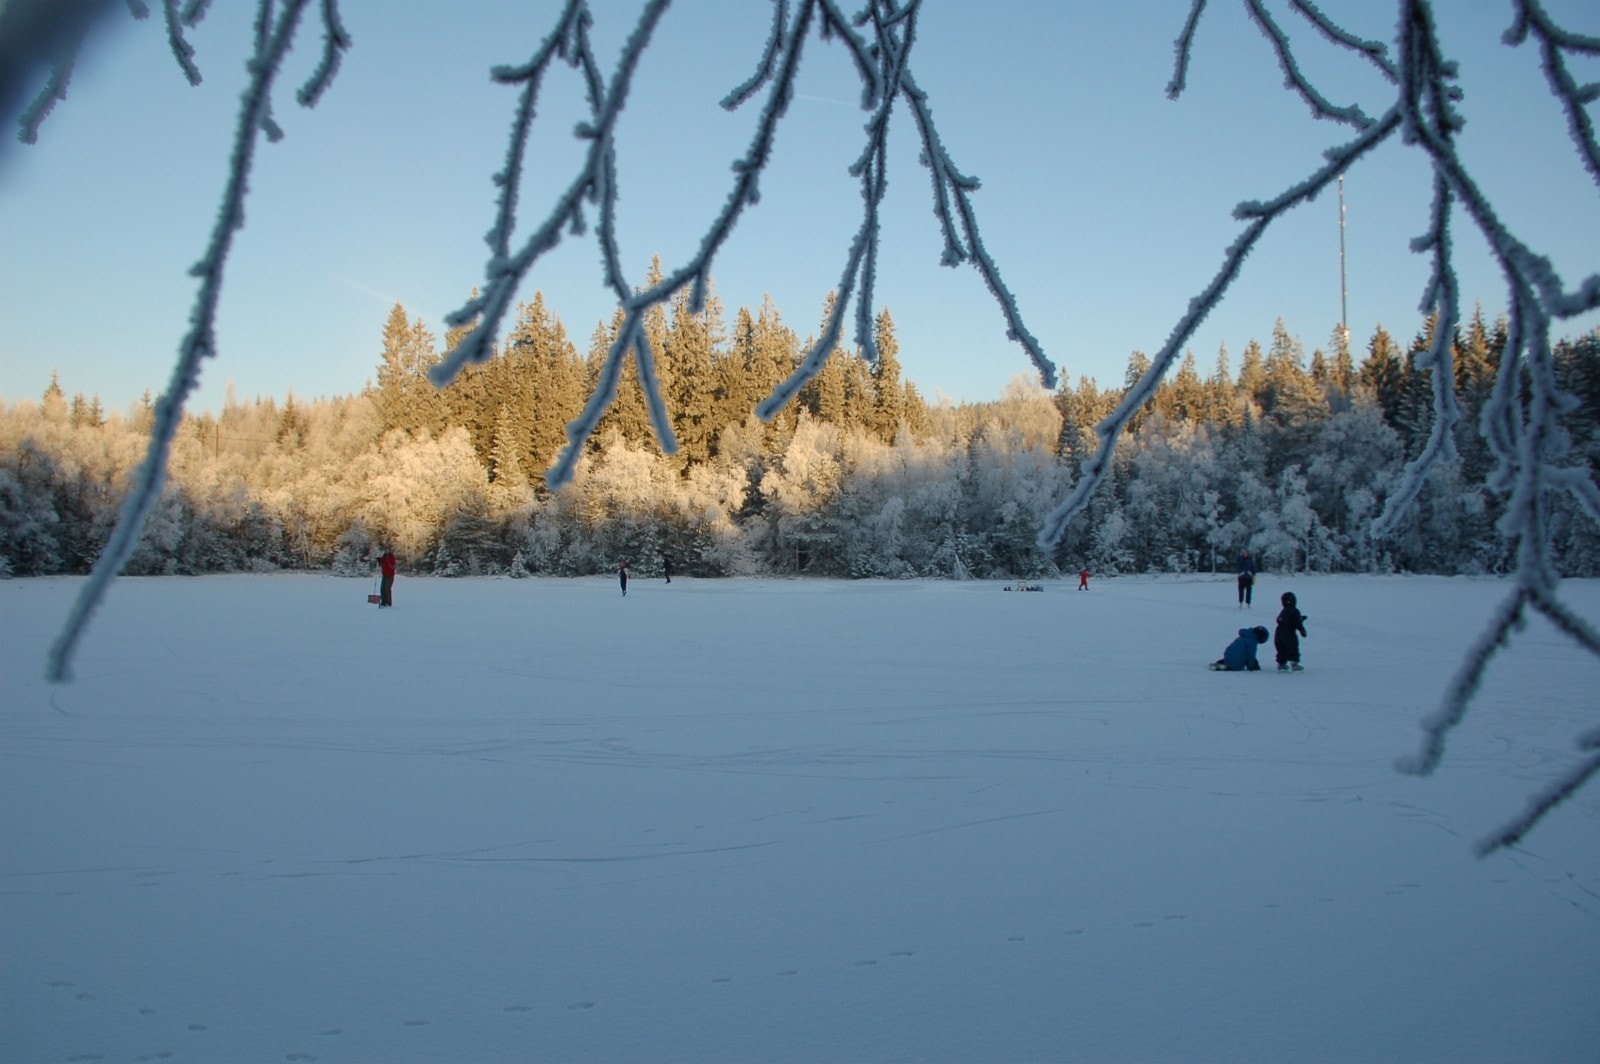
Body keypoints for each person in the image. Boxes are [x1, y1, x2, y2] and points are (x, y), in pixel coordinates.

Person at [1274, 591, 1308, 671]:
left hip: (1279, 632)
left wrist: (1300, 618)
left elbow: (1283, 620)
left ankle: (1281, 663)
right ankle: (1294, 663)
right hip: (1289, 632)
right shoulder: (1295, 610)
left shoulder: (1284, 610)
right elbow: (1297, 623)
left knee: (1281, 648)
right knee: (1292, 646)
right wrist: (1302, 630)